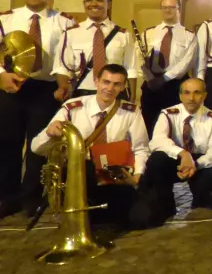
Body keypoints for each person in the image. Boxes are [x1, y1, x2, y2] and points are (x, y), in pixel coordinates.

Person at [31, 64, 153, 230]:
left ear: (123, 87)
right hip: (78, 177)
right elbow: (35, 147)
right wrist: (50, 133)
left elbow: (141, 149)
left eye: (116, 84)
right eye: (106, 82)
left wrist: (137, 176)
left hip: (112, 175)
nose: (109, 88)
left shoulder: (131, 112)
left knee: (141, 218)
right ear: (96, 81)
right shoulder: (72, 108)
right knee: (87, 172)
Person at [0, 0, 75, 219]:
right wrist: (2, 75)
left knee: (37, 145)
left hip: (45, 88)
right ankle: (7, 197)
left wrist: (63, 84)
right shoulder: (6, 19)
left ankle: (31, 198)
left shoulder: (63, 22)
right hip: (12, 86)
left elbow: (66, 57)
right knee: (8, 143)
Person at [143, 77, 212, 222]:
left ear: (205, 95)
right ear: (180, 95)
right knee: (156, 161)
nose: (191, 98)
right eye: (186, 93)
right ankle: (165, 205)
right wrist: (183, 154)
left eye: (197, 93)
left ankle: (201, 206)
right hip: (175, 159)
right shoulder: (168, 114)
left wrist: (194, 164)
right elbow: (157, 141)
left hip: (199, 163)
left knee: (209, 176)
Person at [55, 0, 139, 102]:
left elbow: (131, 69)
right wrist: (63, 87)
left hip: (115, 94)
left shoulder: (123, 35)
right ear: (84, 3)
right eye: (89, 0)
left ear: (109, 4)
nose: (94, 4)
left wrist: (132, 97)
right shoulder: (70, 34)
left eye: (99, 0)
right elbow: (62, 68)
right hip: (82, 94)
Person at [140, 0, 197, 135]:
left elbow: (187, 62)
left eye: (171, 7)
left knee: (173, 125)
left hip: (175, 86)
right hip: (151, 84)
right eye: (164, 7)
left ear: (179, 9)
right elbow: (139, 57)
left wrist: (164, 78)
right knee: (149, 123)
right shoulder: (148, 33)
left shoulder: (189, 35)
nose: (167, 10)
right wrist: (149, 78)